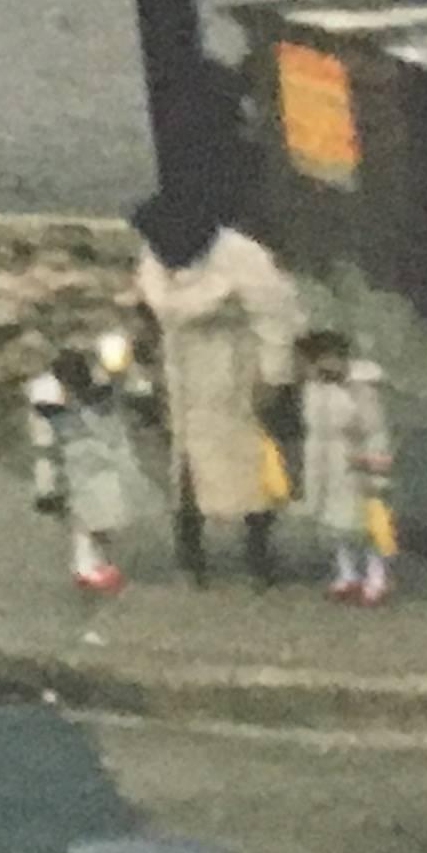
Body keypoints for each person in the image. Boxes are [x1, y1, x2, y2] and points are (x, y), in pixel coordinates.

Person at [131, 183, 306, 585]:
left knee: (247, 465)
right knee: (186, 464)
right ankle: (190, 548)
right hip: (181, 370)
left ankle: (258, 551)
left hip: (232, 368)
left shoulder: (243, 257)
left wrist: (274, 377)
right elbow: (151, 304)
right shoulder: (158, 252)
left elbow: (276, 319)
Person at [25, 342, 144, 594]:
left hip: (89, 468)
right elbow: (45, 447)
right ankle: (86, 567)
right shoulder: (51, 401)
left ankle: (93, 563)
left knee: (95, 520)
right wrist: (47, 486)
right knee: (86, 521)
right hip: (77, 470)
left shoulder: (63, 399)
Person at [296, 326, 398, 605]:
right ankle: (347, 574)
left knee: (366, 520)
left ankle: (376, 577)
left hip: (355, 459)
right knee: (334, 522)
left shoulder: (361, 388)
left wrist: (374, 462)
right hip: (325, 460)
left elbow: (375, 427)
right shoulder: (315, 387)